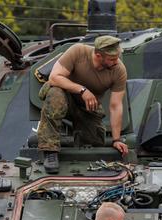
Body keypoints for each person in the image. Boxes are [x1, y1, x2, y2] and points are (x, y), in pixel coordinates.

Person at [37, 35, 129, 174]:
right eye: (112, 59)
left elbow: (116, 105)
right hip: (64, 97)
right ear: (98, 55)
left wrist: (116, 139)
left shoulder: (119, 70)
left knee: (95, 143)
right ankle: (50, 151)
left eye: (117, 57)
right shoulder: (78, 52)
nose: (116, 62)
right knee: (55, 93)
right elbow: (54, 77)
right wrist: (82, 90)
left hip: (88, 108)